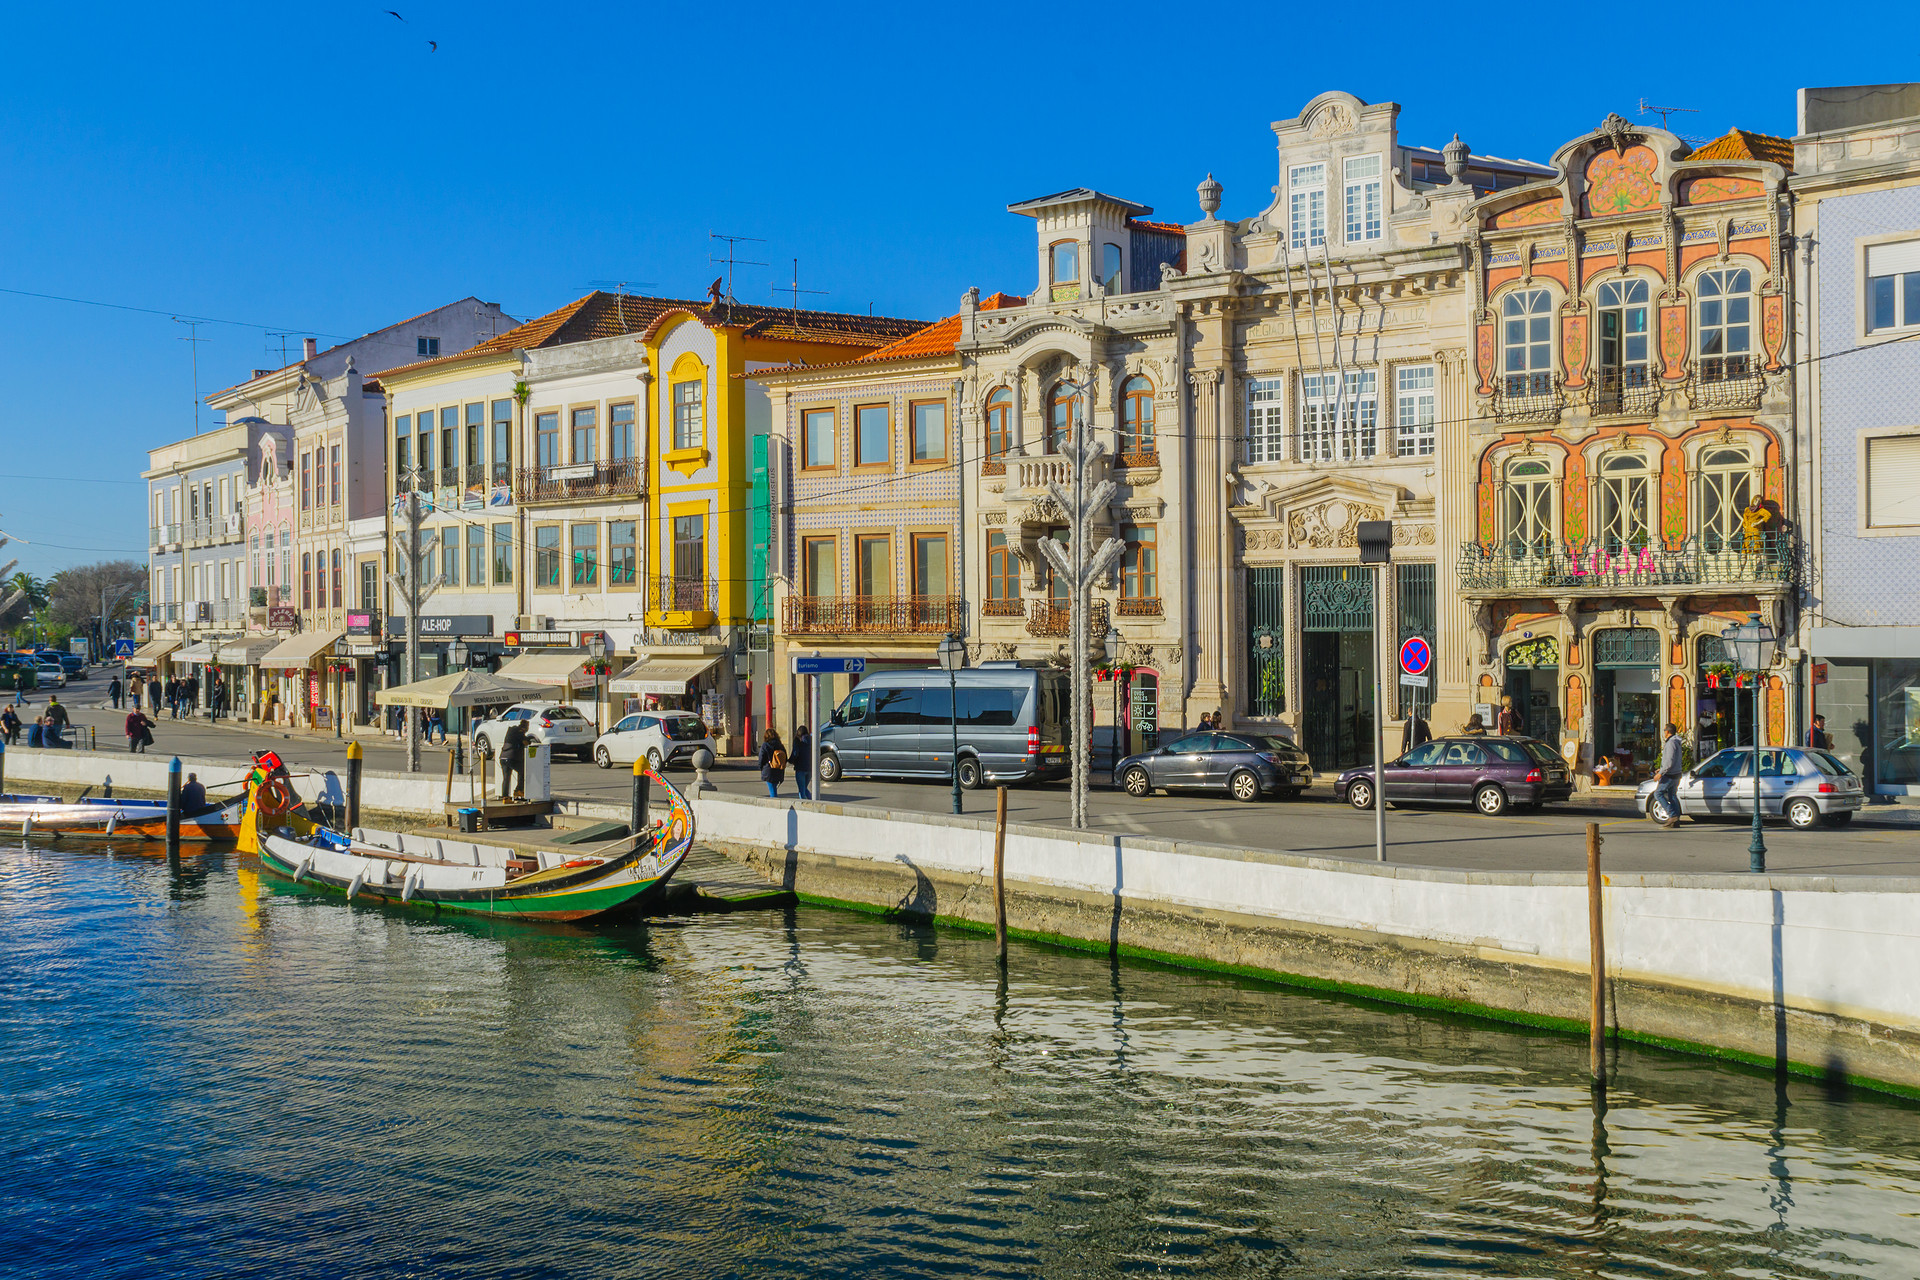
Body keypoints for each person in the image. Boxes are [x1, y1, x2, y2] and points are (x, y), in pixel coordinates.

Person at [1654, 722, 1684, 828]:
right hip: (1676, 773)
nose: (1664, 732)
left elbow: (1669, 761)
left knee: (1658, 794)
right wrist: (1661, 768)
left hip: (1670, 775)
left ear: (1667, 731)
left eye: (1664, 730)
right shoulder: (1676, 742)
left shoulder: (1671, 743)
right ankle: (1676, 819)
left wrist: (1661, 773)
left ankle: (1672, 815)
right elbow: (1672, 760)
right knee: (1672, 796)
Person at [499, 717, 529, 800]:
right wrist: (528, 740)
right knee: (523, 771)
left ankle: (505, 796)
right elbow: (526, 742)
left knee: (506, 778)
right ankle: (518, 790)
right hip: (511, 758)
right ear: (525, 727)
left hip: (503, 757)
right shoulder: (520, 732)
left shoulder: (511, 730)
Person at [758, 726, 788, 798]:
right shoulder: (780, 745)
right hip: (779, 770)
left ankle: (774, 803)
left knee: (773, 792)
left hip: (769, 770)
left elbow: (761, 757)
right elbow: (785, 757)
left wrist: (761, 767)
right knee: (774, 788)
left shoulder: (765, 745)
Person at [792, 724, 813, 801]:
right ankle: (811, 800)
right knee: (804, 788)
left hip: (800, 768)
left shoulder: (798, 741)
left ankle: (804, 804)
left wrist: (790, 761)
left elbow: (795, 753)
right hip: (810, 768)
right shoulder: (812, 740)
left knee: (802, 790)